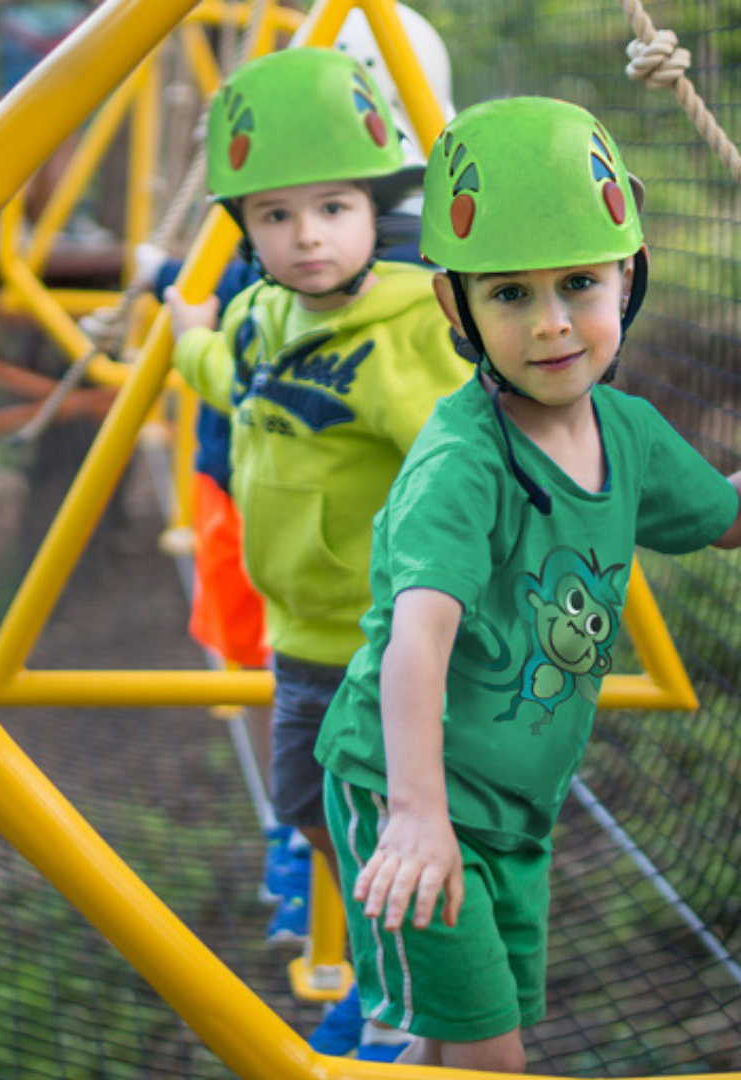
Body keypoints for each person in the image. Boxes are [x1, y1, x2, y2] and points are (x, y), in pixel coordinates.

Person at [315, 95, 741, 1074]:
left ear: (626, 277)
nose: (552, 324)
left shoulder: (627, 435)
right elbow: (418, 634)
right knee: (490, 1055)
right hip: (407, 789)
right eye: (509, 294)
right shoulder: (462, 463)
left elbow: (723, 517)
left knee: (460, 1038)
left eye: (578, 284)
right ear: (453, 306)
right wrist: (417, 813)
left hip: (515, 811)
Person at [163, 45, 469, 1058]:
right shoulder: (256, 317)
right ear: (245, 230)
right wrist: (182, 334)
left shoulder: (405, 332)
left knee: (392, 832)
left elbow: (465, 458)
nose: (306, 237)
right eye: (276, 217)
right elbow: (229, 382)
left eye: (334, 208)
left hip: (391, 644)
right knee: (310, 811)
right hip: (300, 638)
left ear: (376, 211)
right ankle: (392, 972)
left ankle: (399, 1004)